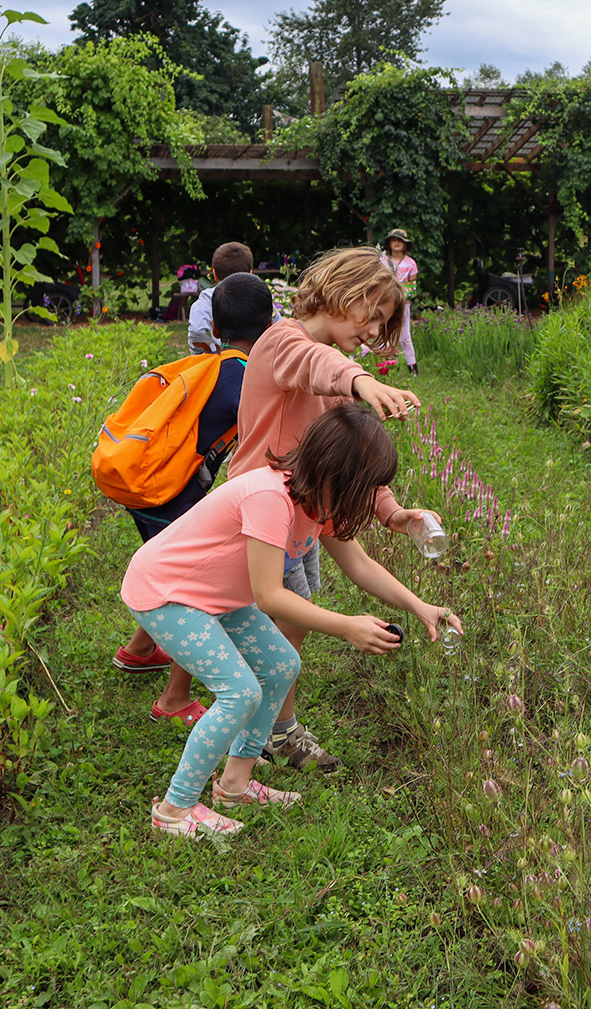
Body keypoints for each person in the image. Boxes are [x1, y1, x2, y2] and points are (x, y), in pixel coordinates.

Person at [122, 404, 463, 836]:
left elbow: (360, 565)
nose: (371, 499)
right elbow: (270, 596)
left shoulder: (321, 505)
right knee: (239, 691)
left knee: (282, 665)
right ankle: (174, 810)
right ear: (333, 472)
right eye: (367, 486)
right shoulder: (271, 499)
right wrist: (347, 626)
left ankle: (234, 785)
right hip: (166, 593)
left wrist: (421, 606)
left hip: (215, 597)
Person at [229, 246, 432, 771]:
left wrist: (390, 512)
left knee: (284, 615)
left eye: (385, 324)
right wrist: (363, 381)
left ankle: (258, 715)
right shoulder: (283, 342)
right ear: (347, 292)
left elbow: (351, 455)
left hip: (306, 513)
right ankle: (276, 730)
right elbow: (316, 365)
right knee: (284, 622)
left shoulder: (338, 376)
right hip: (263, 514)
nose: (373, 333)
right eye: (374, 316)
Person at [112, 274, 274, 724]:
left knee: (165, 570)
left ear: (216, 330)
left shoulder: (207, 366)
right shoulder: (249, 380)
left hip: (145, 483)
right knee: (196, 590)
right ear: (271, 322)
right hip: (174, 494)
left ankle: (140, 650)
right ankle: (174, 700)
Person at [188, 242, 258, 353]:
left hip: (218, 364)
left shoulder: (207, 299)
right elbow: (278, 328)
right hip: (255, 364)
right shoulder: (259, 297)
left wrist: (203, 356)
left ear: (214, 274)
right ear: (250, 273)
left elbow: (197, 331)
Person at [381, 229, 419, 375]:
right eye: (394, 240)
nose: (396, 243)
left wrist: (401, 292)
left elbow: (412, 286)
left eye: (400, 240)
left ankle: (413, 369)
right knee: (384, 332)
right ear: (389, 243)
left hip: (403, 303)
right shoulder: (383, 261)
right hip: (385, 303)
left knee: (405, 336)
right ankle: (387, 366)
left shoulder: (410, 263)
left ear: (405, 244)